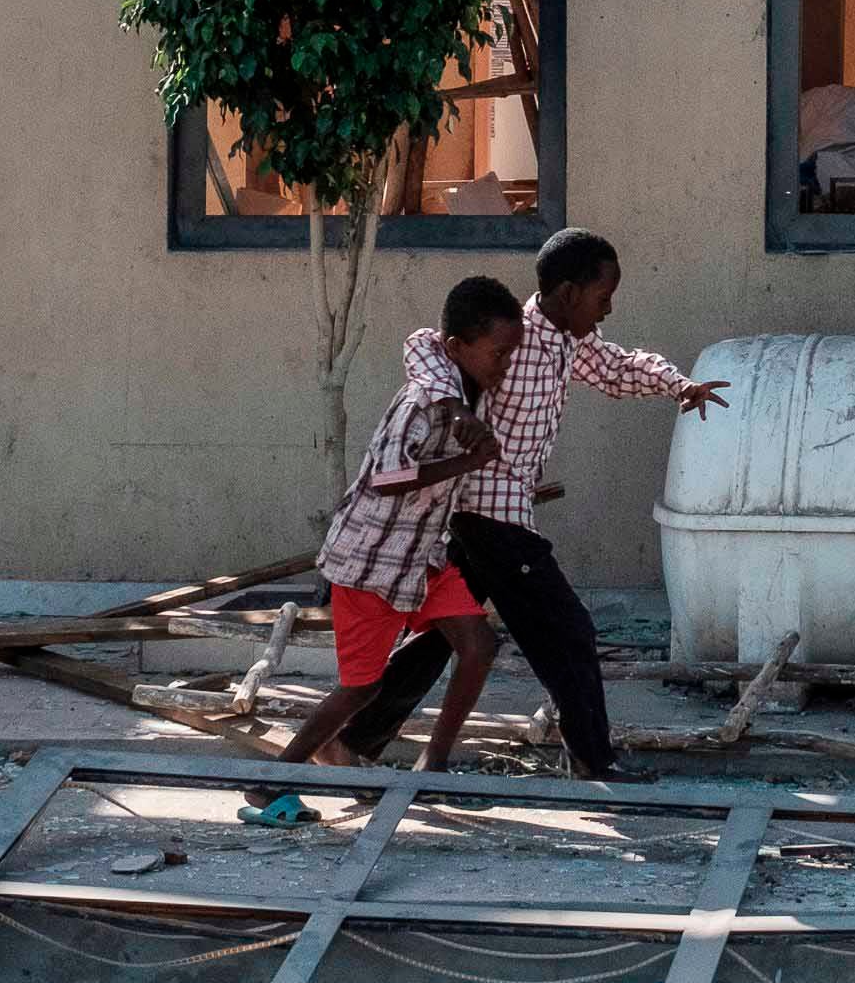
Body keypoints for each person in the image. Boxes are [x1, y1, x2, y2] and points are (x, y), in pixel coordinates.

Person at [338, 227, 725, 779]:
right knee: (568, 631)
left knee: (441, 639)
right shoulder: (514, 338)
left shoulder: (570, 340)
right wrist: (454, 408)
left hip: (490, 514)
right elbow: (425, 344)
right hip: (489, 517)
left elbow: (617, 367)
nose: (608, 309)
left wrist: (677, 384)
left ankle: (353, 739)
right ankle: (592, 759)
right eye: (602, 296)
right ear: (568, 293)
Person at [270, 274, 520, 793]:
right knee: (360, 689)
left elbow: (421, 341)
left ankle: (434, 765)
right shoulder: (420, 408)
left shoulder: (460, 391)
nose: (505, 366)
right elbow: (386, 480)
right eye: (498, 354)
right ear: (459, 349)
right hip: (371, 565)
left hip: (423, 562)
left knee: (478, 645)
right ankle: (273, 779)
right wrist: (465, 463)